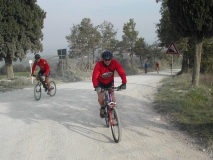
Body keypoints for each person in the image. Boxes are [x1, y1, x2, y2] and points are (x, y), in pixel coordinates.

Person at [92, 50, 127, 118]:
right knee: (101, 97)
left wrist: (124, 83)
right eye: (105, 59)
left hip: (110, 82)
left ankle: (114, 110)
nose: (107, 61)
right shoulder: (99, 65)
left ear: (111, 59)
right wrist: (96, 86)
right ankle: (102, 107)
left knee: (112, 95)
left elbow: (121, 72)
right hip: (100, 83)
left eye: (109, 59)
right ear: (103, 59)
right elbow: (94, 77)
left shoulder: (114, 63)